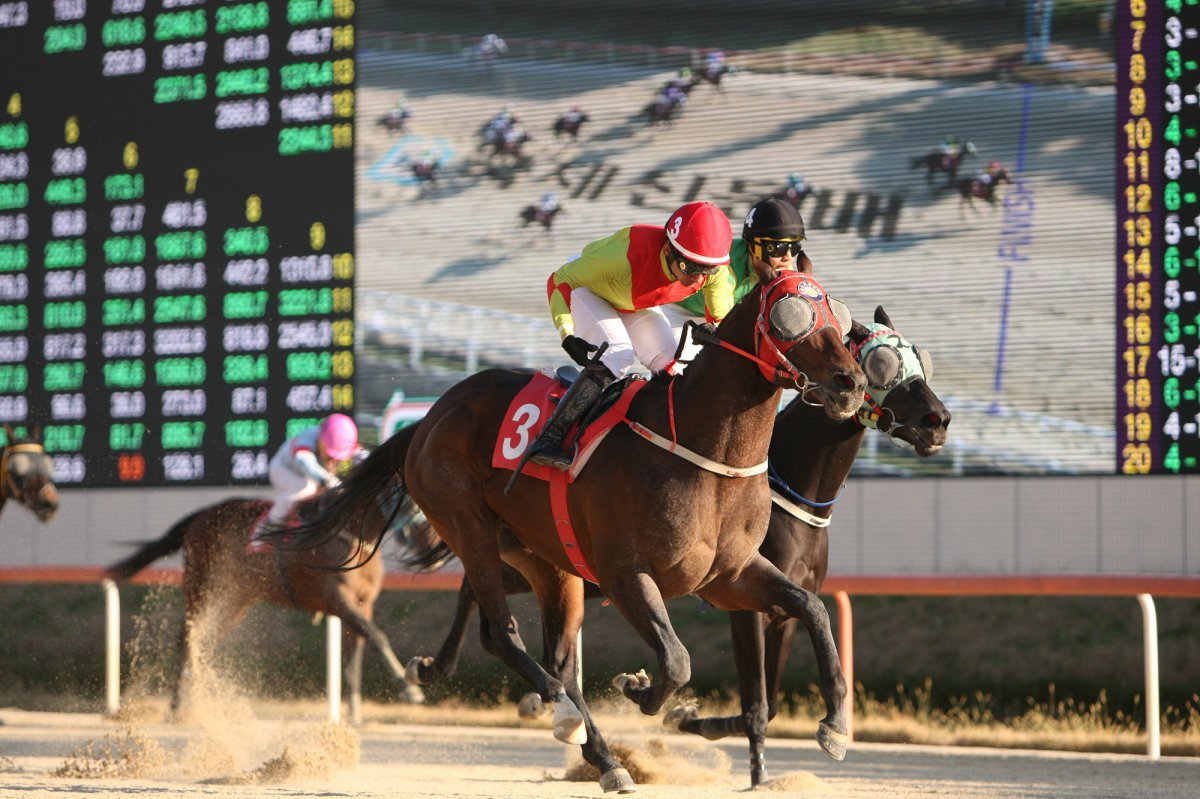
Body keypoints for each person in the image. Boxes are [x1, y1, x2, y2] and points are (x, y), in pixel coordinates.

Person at [528, 201, 734, 468]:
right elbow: (560, 280)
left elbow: (723, 322)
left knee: (674, 364)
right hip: (586, 290)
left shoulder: (712, 269)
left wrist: (716, 332)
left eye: (705, 271)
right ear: (668, 250)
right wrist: (567, 334)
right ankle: (549, 437)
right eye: (689, 268)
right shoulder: (626, 253)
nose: (697, 280)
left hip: (633, 301)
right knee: (618, 354)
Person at [662, 197, 811, 363]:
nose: (788, 258)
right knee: (679, 364)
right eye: (777, 248)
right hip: (678, 310)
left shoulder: (785, 272)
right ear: (753, 246)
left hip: (717, 319)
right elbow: (727, 326)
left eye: (794, 247)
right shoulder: (726, 263)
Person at [253, 413, 362, 544]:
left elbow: (364, 457)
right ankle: (268, 526)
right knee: (306, 488)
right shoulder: (309, 437)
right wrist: (328, 479)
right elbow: (305, 463)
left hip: (308, 475)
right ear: (321, 440)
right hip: (282, 469)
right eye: (330, 454)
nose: (334, 460)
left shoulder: (341, 441)